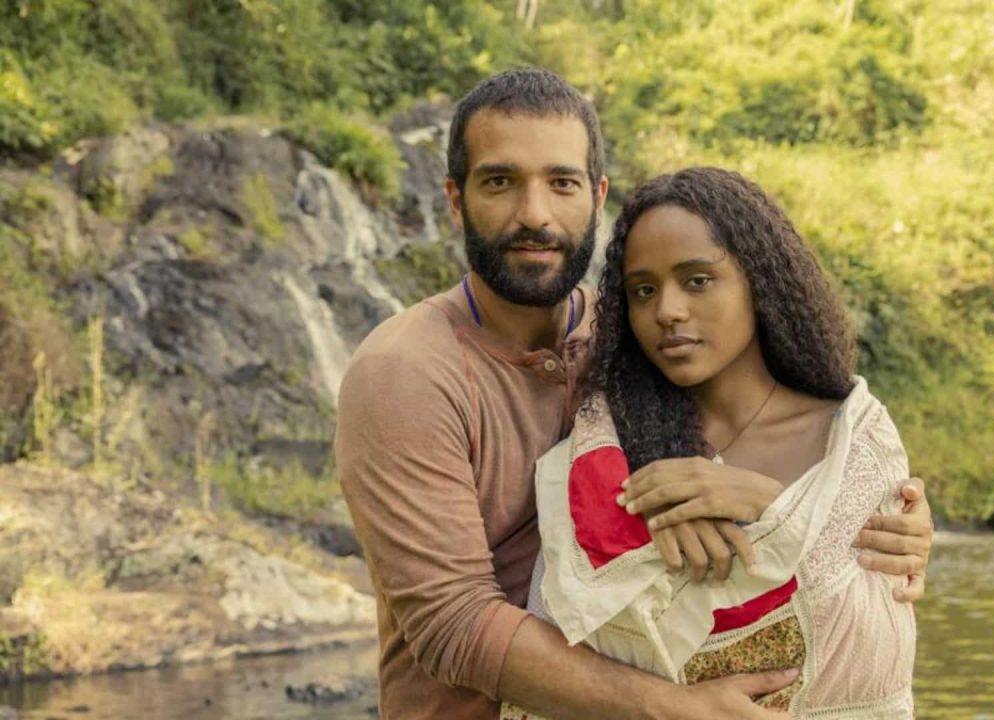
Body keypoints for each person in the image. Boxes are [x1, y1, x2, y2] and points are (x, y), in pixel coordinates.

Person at [336, 68, 933, 720]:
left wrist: (871, 520)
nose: (534, 214)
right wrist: (677, 710)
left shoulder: (638, 338)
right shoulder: (406, 371)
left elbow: (775, 469)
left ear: (597, 198)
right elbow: (452, 622)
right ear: (455, 199)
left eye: (562, 183)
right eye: (500, 181)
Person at [505, 167, 917, 720]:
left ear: (759, 281)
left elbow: (877, 613)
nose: (667, 311)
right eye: (643, 291)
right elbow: (561, 631)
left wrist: (768, 503)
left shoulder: (854, 436)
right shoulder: (607, 447)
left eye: (697, 280)